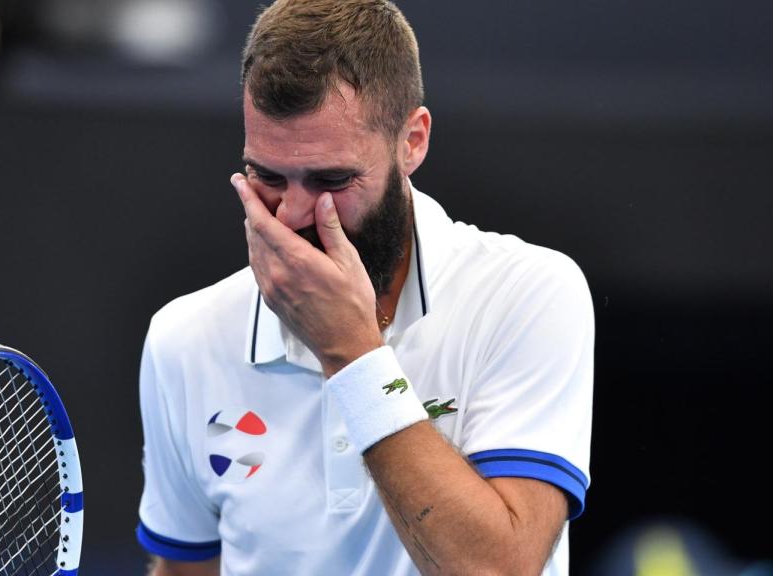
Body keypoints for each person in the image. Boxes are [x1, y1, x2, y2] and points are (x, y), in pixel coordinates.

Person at [135, 1, 593, 574]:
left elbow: (499, 568)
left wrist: (350, 351)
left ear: (412, 141)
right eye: (267, 176)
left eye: (332, 179)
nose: (294, 214)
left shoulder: (529, 295)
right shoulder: (183, 338)